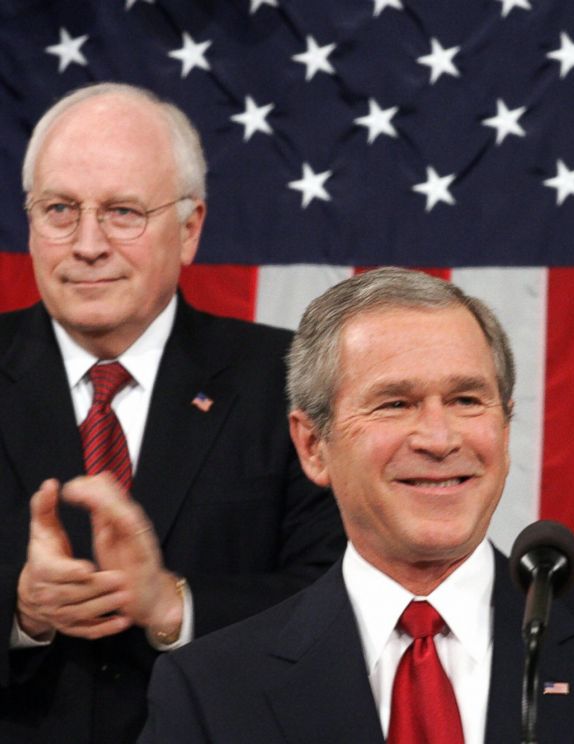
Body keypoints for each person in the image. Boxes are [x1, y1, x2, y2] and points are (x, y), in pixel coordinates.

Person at [138, 267, 574, 744]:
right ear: (313, 446)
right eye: (395, 404)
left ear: (505, 422)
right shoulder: (211, 691)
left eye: (468, 399)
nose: (440, 439)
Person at [0, 82, 346, 744]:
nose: (88, 243)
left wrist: (172, 606)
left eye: (124, 211)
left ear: (189, 230)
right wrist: (20, 610)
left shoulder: (290, 381)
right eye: (60, 209)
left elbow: (344, 595)